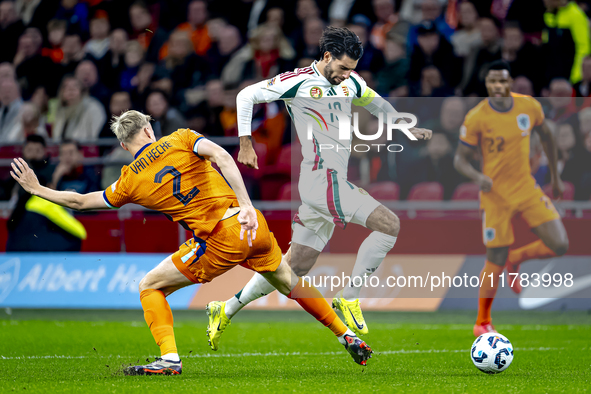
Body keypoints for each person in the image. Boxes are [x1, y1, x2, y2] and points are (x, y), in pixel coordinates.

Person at [9, 109, 373, 375]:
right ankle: (346, 336)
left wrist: (38, 189)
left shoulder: (128, 180)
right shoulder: (182, 137)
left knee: (149, 285)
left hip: (219, 239)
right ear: (149, 129)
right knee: (289, 281)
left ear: (123, 144)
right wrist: (246, 205)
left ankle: (169, 359)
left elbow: (81, 201)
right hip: (252, 226)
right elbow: (223, 156)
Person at [207, 26, 432, 351]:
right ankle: (350, 296)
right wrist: (246, 141)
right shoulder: (298, 80)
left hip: (324, 184)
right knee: (390, 225)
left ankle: (224, 308)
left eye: (351, 69)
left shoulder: (351, 81)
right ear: (326, 56)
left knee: (295, 265)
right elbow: (247, 95)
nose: (346, 75)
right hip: (322, 179)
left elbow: (377, 104)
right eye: (342, 68)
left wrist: (405, 126)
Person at [453, 60, 569, 337]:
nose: (498, 86)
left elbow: (548, 137)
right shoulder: (477, 117)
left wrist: (555, 176)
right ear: (487, 84)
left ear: (510, 82)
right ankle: (482, 321)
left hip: (526, 188)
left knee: (560, 244)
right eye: (493, 82)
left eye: (503, 81)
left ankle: (516, 258)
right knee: (494, 255)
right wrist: (476, 177)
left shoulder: (529, 106)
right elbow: (460, 159)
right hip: (495, 195)